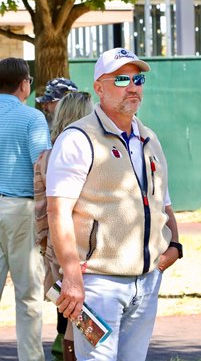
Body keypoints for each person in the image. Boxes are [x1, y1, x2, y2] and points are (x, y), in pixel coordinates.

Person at [46, 47, 182, 360]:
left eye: (138, 79)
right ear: (99, 88)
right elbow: (58, 211)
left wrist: (174, 247)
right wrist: (72, 276)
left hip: (146, 281)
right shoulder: (78, 139)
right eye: (121, 78)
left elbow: (164, 201)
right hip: (97, 283)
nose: (133, 86)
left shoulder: (149, 137)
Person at [34, 91, 94, 361]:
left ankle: (65, 353)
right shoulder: (94, 153)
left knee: (71, 315)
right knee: (88, 320)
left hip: (57, 249)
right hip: (87, 249)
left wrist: (47, 249)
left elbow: (40, 212)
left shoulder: (45, 157)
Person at [0, 57, 51, 361]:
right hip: (21, 209)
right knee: (28, 293)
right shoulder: (32, 118)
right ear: (24, 84)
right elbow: (41, 165)